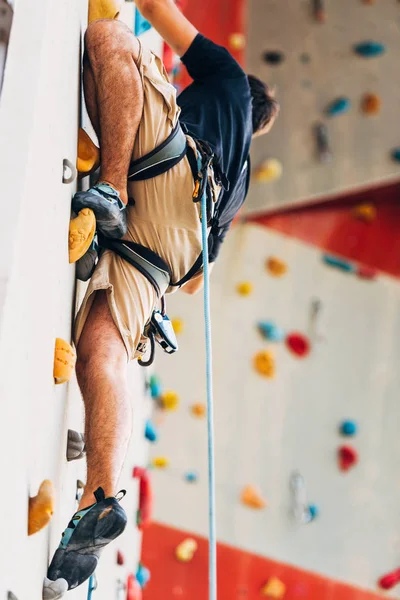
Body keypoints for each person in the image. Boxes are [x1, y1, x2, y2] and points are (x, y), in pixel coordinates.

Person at [43, 1, 279, 597]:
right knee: (103, 354)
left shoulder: (224, 78)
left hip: (168, 172)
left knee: (111, 38)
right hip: (173, 252)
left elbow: (152, 9)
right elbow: (197, 278)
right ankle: (102, 495)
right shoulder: (242, 180)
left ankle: (113, 189)